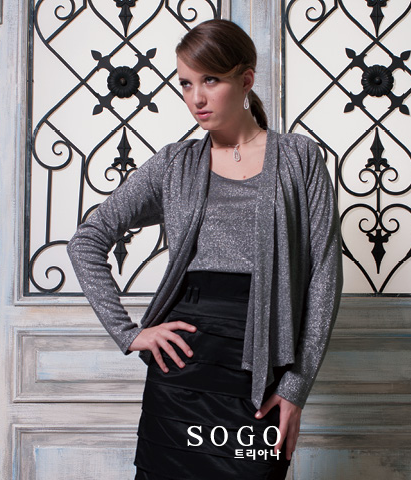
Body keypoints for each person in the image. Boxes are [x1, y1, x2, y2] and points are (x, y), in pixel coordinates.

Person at [67, 19, 342, 480]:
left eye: (210, 80)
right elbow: (87, 240)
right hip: (181, 369)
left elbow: (324, 278)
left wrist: (295, 387)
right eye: (186, 84)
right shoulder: (174, 164)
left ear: (246, 80)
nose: (196, 98)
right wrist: (128, 333)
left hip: (260, 371)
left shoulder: (299, 158)